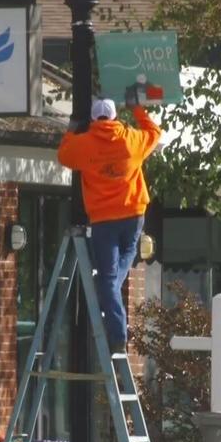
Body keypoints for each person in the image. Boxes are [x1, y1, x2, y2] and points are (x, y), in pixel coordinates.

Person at [56, 97, 162, 354]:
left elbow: (63, 155)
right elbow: (154, 132)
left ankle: (118, 335)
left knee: (108, 278)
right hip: (133, 214)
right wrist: (136, 107)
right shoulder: (131, 140)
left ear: (93, 119)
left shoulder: (84, 145)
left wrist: (71, 129)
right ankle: (114, 316)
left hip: (104, 220)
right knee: (118, 269)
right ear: (114, 117)